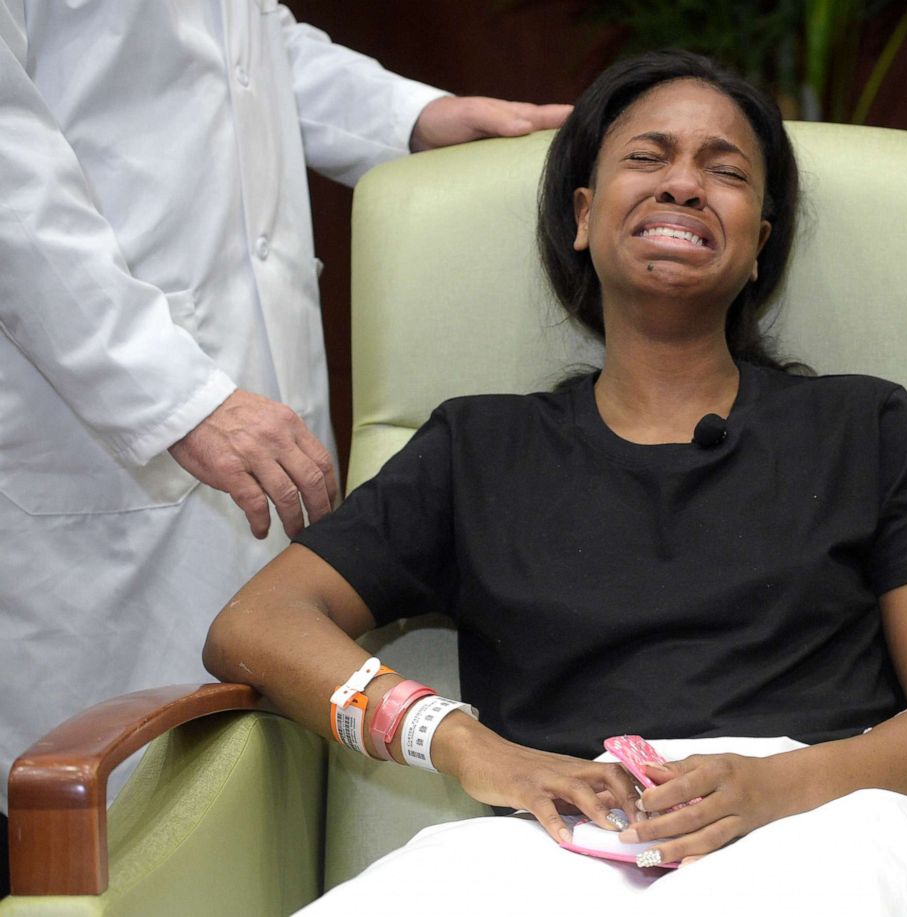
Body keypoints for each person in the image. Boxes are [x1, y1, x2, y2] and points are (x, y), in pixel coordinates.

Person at [202, 50, 907, 914]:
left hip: (825, 829)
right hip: (556, 850)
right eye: (647, 158)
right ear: (583, 215)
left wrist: (778, 785)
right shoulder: (480, 446)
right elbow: (259, 622)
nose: (684, 185)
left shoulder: (862, 426)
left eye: (725, 170)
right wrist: (467, 744)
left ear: (760, 244)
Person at [0, 0, 572, 862]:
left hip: (240, 394)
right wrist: (175, 395)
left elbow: (242, 45)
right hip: (99, 406)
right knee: (106, 833)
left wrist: (406, 116)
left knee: (253, 810)